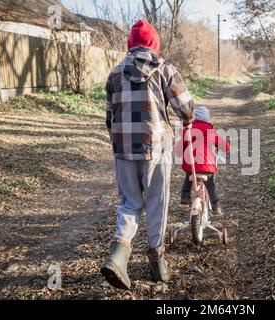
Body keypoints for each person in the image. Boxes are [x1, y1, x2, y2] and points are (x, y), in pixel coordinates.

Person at [101, 19, 194, 290]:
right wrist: (186, 119)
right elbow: (186, 108)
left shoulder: (115, 74)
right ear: (154, 44)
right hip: (156, 149)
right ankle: (157, 263)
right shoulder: (164, 69)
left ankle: (118, 255)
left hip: (123, 149)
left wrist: (120, 145)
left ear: (130, 45)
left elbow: (110, 118)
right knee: (156, 203)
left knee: (129, 203)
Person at [177, 106, 230, 215]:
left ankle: (185, 198)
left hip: (191, 166)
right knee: (210, 184)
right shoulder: (211, 131)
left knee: (189, 176)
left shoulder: (188, 130)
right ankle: (216, 206)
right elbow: (226, 147)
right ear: (207, 119)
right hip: (207, 166)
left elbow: (179, 147)